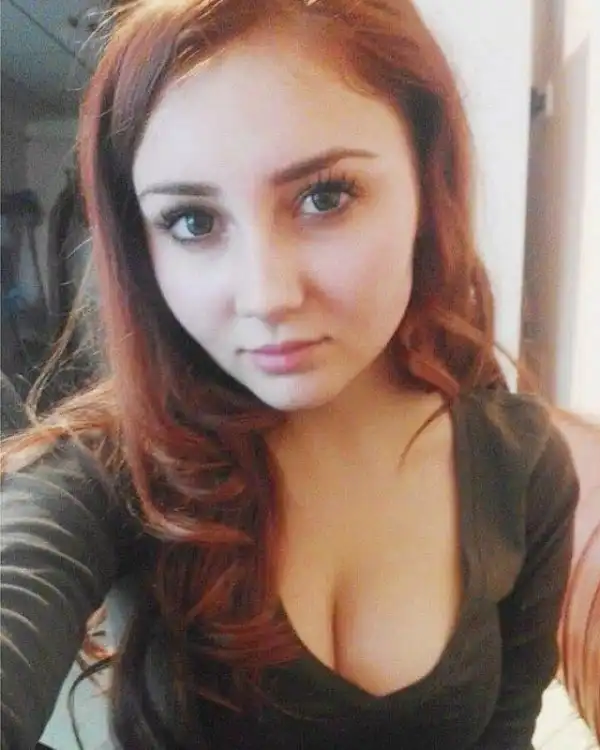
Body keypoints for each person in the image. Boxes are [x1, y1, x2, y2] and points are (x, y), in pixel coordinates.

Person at [0, 1, 580, 748]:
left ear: (426, 185)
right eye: (192, 221)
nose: (265, 295)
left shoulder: (520, 467)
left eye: (324, 197)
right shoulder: (106, 470)